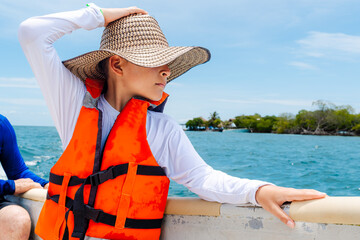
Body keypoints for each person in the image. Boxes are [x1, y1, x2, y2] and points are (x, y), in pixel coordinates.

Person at [18, 4, 326, 240]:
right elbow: (32, 32)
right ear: (116, 64)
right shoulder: (73, 102)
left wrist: (259, 191)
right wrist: (103, 15)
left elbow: (203, 179)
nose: (166, 71)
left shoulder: (162, 129)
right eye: (155, 61)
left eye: (167, 63)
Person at [0, 114, 49, 240]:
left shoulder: (2, 124)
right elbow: (14, 183)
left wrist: (45, 184)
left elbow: (18, 172)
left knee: (17, 219)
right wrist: (11, 186)